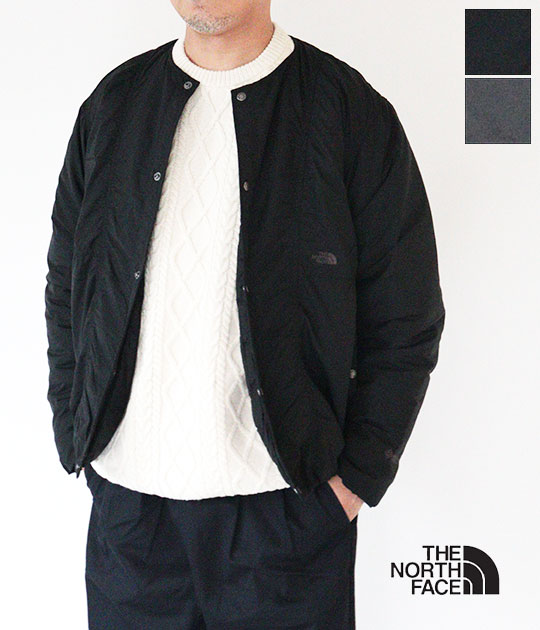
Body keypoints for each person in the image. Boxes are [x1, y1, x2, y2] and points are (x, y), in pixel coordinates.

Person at [44, 1, 446, 628]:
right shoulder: (113, 106)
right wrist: (77, 430)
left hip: (284, 517)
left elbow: (406, 313)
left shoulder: (347, 111)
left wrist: (355, 480)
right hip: (131, 522)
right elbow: (68, 286)